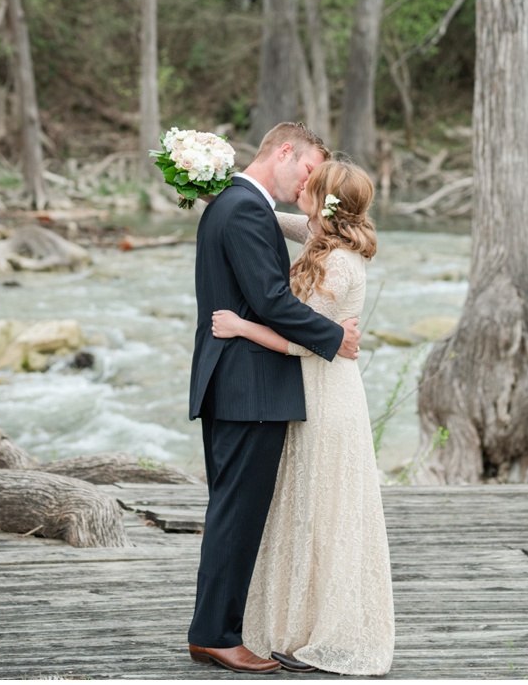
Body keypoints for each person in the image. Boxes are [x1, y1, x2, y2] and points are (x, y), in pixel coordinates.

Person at [187, 122, 361, 675]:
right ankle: (216, 635)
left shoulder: (242, 204)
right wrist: (336, 339)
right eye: (308, 169)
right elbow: (268, 299)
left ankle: (214, 629)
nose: (309, 182)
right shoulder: (242, 208)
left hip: (242, 383)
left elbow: (309, 237)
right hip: (248, 385)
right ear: (284, 151)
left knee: (232, 512)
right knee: (236, 516)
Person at [212, 159, 394, 677]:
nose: (300, 191)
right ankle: (295, 622)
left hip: (325, 395)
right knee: (304, 508)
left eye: (311, 188)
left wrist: (242, 328)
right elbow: (264, 217)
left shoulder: (338, 264)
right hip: (307, 393)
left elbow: (305, 345)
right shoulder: (319, 235)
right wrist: (211, 184)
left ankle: (331, 634)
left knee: (324, 510)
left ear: (328, 202)